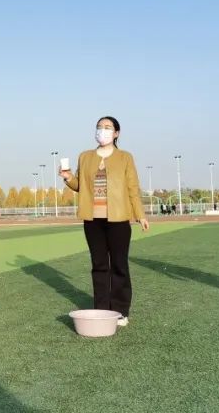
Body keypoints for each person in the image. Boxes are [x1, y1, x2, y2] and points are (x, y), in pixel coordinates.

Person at [59, 116, 149, 327]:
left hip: (118, 218)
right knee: (99, 265)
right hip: (92, 220)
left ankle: (120, 311)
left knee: (119, 265)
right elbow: (80, 186)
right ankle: (101, 309)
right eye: (99, 127)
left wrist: (141, 215)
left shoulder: (125, 157)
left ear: (116, 133)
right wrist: (68, 177)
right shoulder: (85, 157)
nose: (103, 130)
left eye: (108, 127)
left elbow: (132, 188)